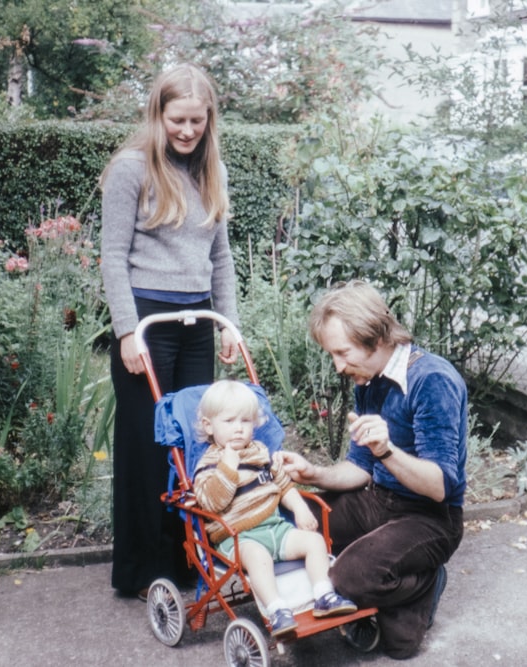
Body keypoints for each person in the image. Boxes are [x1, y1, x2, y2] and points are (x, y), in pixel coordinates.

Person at [99, 63, 240, 600]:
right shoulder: (131, 169)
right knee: (146, 447)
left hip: (197, 321)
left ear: (209, 121)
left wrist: (229, 322)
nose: (187, 131)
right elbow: (112, 257)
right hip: (148, 322)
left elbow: (220, 257)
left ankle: (187, 560)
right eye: (177, 120)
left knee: (196, 443)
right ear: (158, 114)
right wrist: (127, 332)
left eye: (197, 122)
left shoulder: (212, 171)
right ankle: (141, 569)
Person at [277, 280, 468, 660]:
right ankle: (382, 569)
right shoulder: (369, 379)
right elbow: (359, 468)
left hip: (430, 518)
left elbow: (439, 487)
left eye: (342, 353)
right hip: (379, 500)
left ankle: (424, 581)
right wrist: (312, 473)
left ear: (375, 338)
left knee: (350, 582)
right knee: (290, 520)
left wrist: (387, 451)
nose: (338, 366)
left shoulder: (432, 381)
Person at [192, 380, 357, 638]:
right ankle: (277, 609)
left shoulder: (260, 452)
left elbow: (283, 485)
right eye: (229, 421)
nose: (238, 429)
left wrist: (300, 509)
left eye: (245, 421)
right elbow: (212, 503)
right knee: (259, 558)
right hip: (237, 539)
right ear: (208, 426)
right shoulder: (208, 464)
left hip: (274, 528)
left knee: (314, 542)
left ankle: (324, 594)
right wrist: (228, 468)